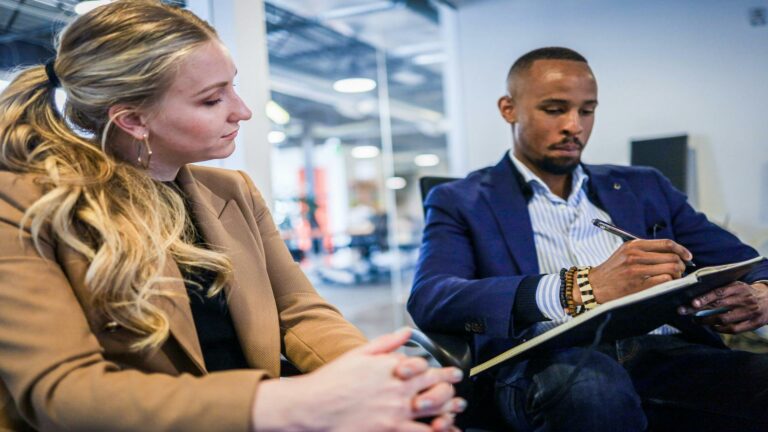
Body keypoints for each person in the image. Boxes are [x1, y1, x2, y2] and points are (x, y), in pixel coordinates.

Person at [0, 1, 466, 431]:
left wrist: (384, 378)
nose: (241, 111)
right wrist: (297, 403)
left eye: (233, 87)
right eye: (211, 99)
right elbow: (62, 391)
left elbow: (299, 312)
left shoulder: (231, 190)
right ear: (133, 120)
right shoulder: (22, 204)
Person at [408, 46, 768, 431]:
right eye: (554, 109)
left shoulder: (644, 186)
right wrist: (579, 287)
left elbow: (745, 262)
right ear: (508, 109)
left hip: (665, 354)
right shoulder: (460, 200)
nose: (574, 126)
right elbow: (433, 296)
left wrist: (761, 292)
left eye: (586, 110)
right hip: (546, 362)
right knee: (592, 387)